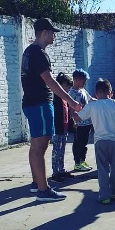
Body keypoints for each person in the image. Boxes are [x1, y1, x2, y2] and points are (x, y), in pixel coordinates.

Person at [21, 18, 81, 201]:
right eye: (53, 32)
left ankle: (36, 183)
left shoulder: (29, 52)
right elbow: (48, 80)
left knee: (35, 145)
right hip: (40, 103)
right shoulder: (38, 53)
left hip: (31, 103)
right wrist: (70, 100)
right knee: (41, 146)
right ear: (44, 33)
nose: (55, 35)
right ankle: (43, 190)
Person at [69, 68, 95, 172]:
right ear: (76, 80)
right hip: (78, 123)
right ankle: (77, 163)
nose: (85, 82)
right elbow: (70, 108)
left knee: (84, 143)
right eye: (83, 80)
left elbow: (91, 99)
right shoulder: (72, 93)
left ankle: (82, 160)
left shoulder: (83, 90)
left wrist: (103, 101)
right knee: (78, 143)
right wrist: (73, 121)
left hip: (87, 122)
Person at [51, 72, 75, 182]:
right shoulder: (56, 98)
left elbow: (67, 113)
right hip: (57, 128)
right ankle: (55, 173)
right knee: (56, 150)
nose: (69, 89)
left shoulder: (65, 98)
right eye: (67, 86)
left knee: (62, 149)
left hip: (64, 127)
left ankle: (61, 169)